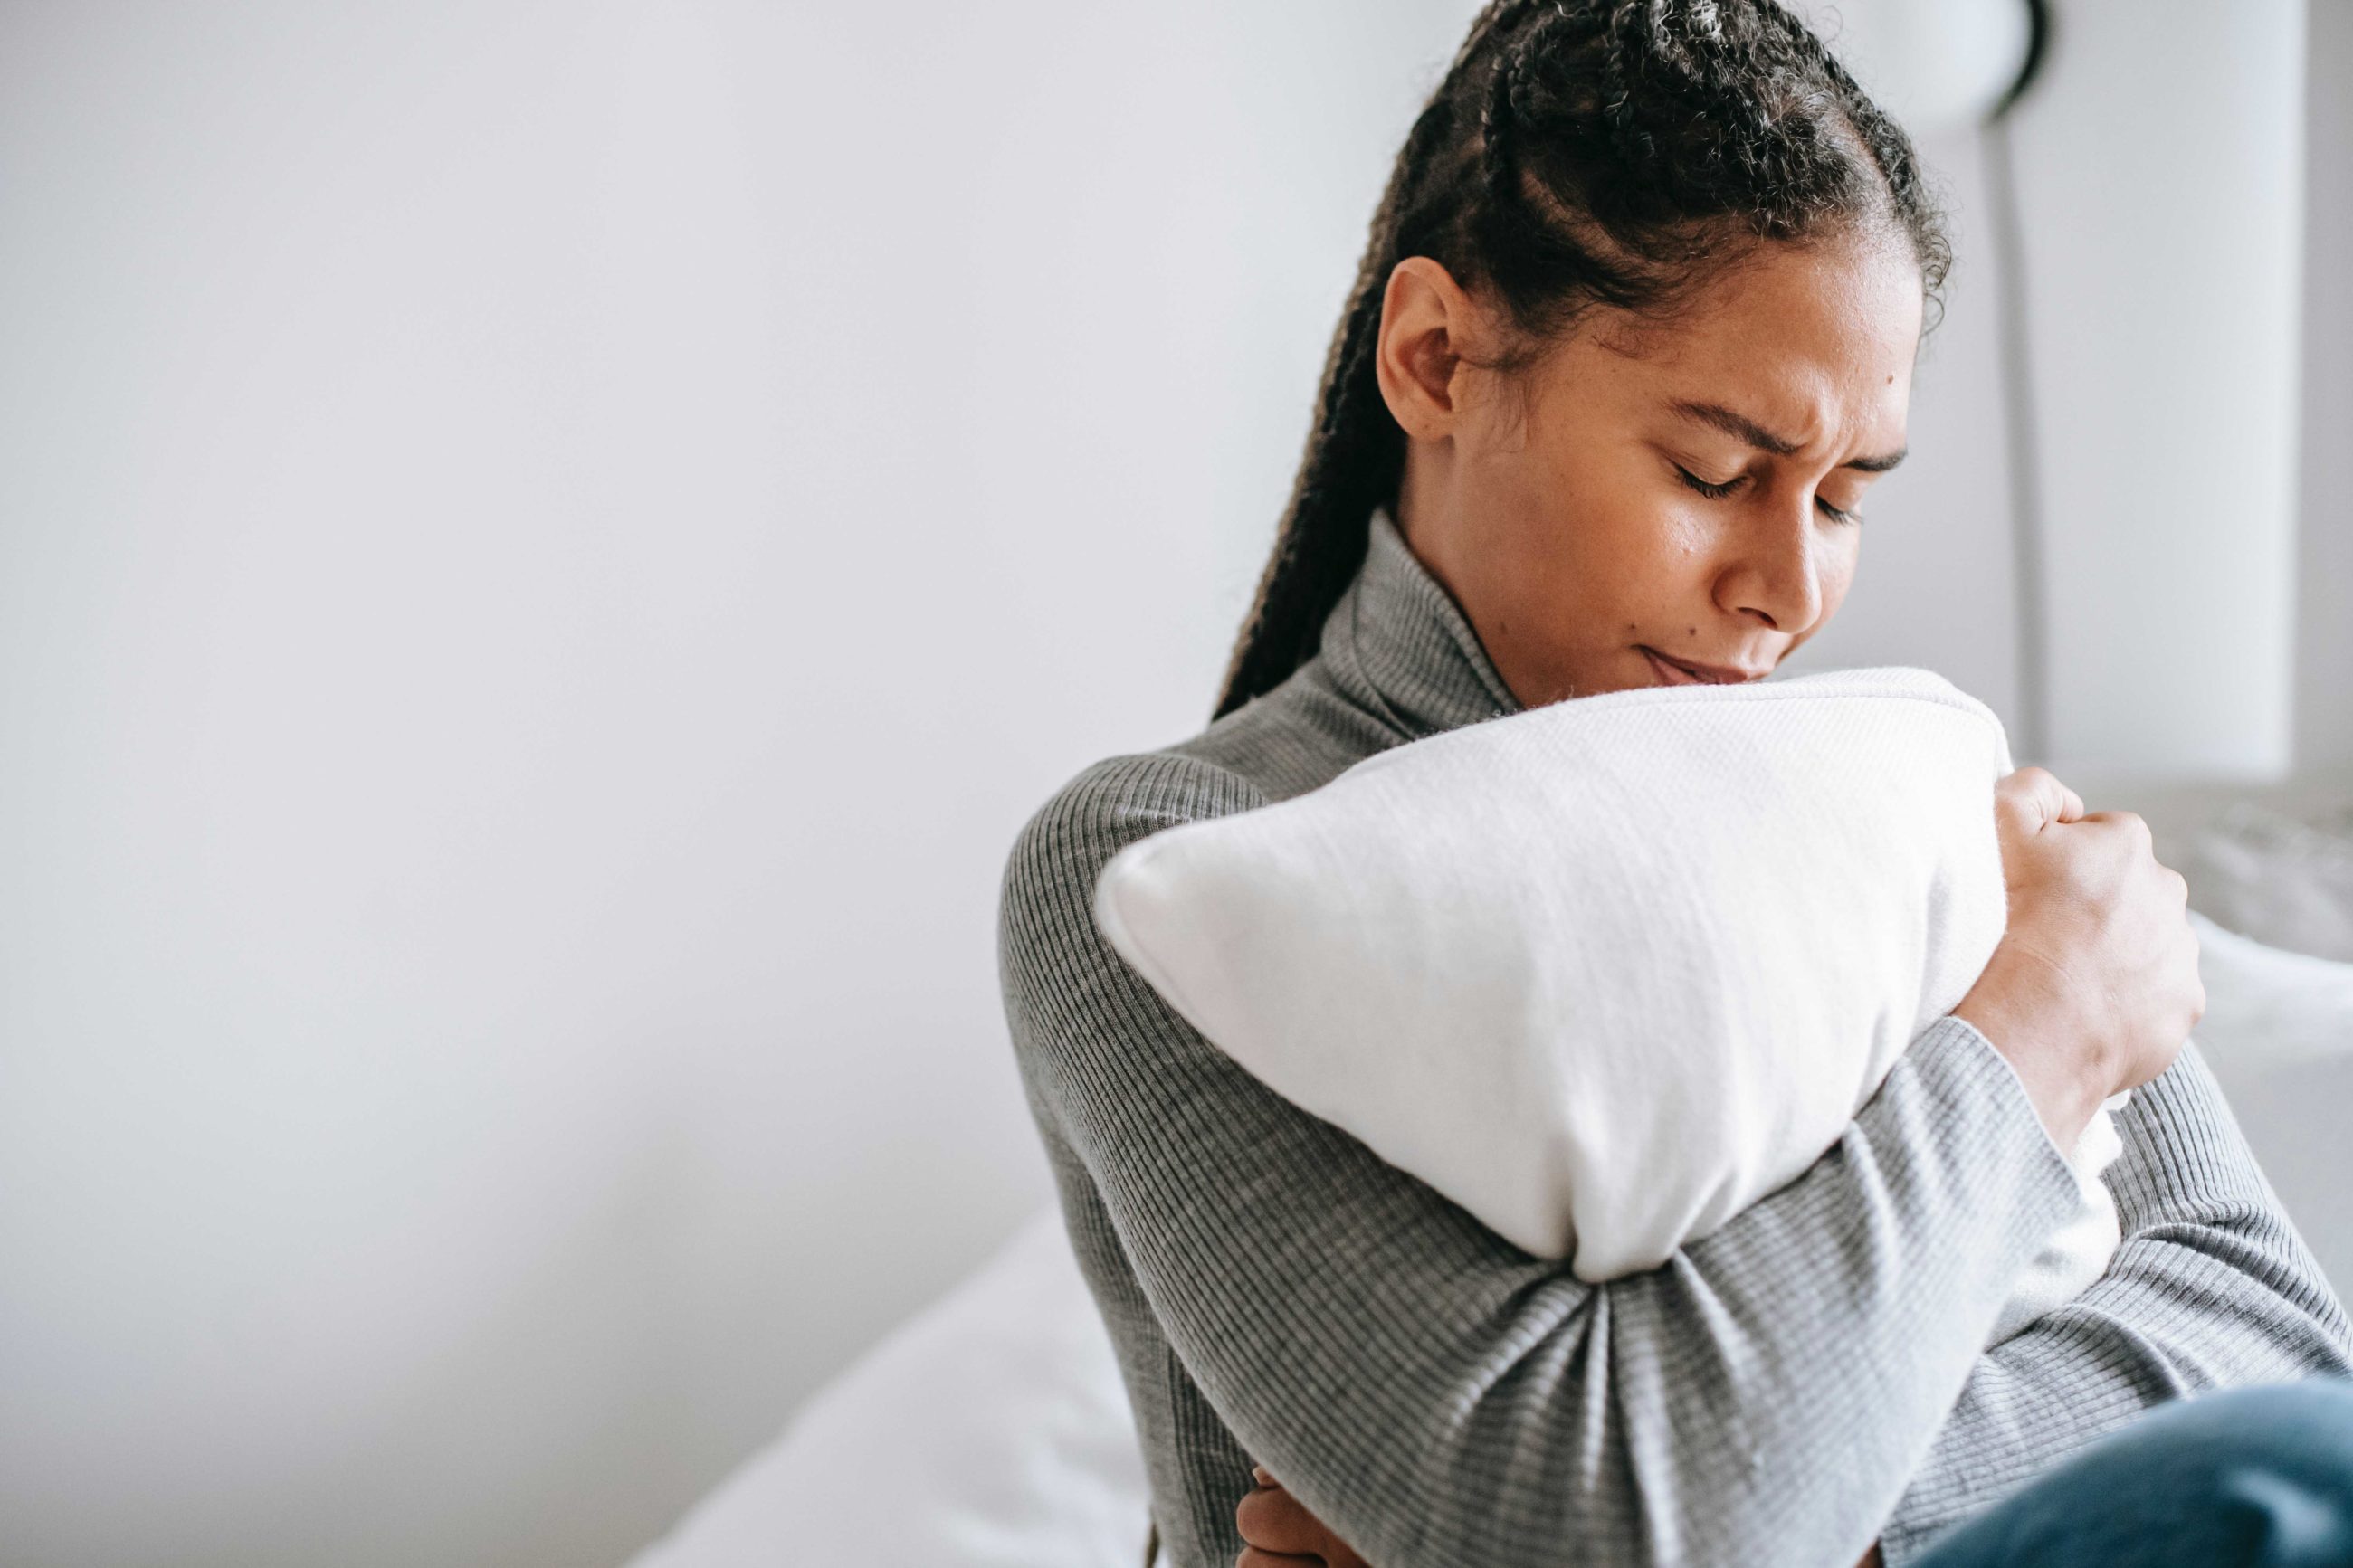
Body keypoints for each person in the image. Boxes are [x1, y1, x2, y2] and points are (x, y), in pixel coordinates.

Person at [995, 3, 2353, 1564]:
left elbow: (2276, 1329)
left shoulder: (1905, 792)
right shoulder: (1163, 865)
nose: (1792, 587)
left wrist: (1823, 1512)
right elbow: (1599, 1517)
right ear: (1436, 360)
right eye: (1715, 472)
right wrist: (2033, 1034)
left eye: (1844, 497)